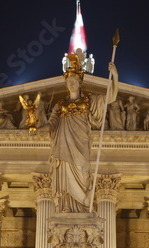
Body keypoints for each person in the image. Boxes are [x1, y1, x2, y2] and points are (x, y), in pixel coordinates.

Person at [47, 49, 119, 212]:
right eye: (69, 82)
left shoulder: (89, 101)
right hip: (63, 147)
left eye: (74, 81)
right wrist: (36, 127)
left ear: (80, 83)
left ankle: (83, 205)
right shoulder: (60, 105)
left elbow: (111, 97)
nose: (71, 84)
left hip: (81, 145)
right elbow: (52, 124)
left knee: (82, 171)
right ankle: (67, 207)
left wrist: (114, 75)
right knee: (65, 174)